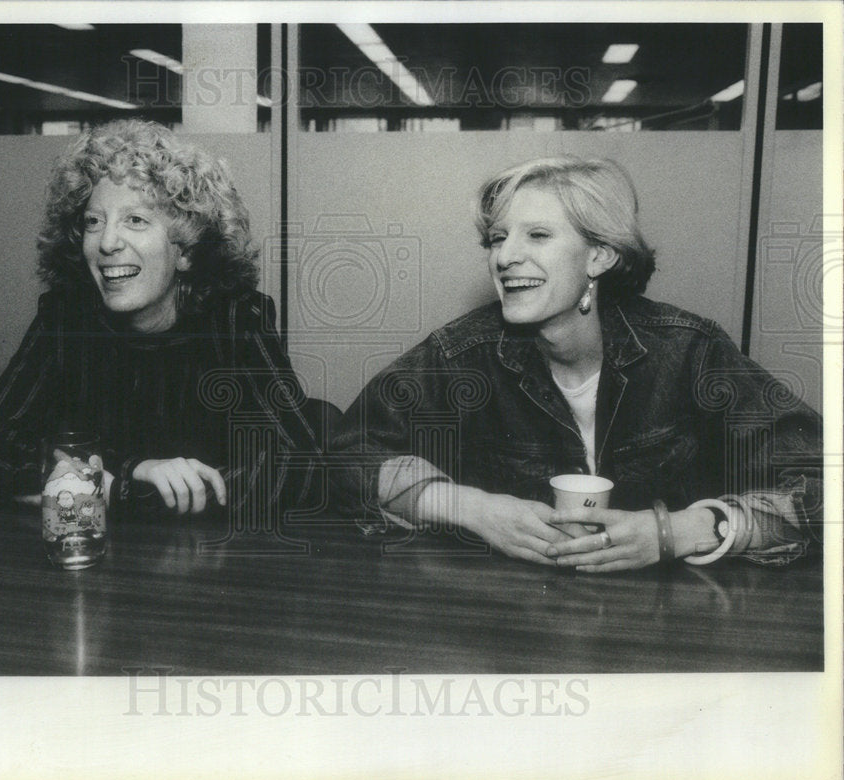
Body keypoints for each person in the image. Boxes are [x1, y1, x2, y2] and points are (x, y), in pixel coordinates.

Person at [331, 156, 822, 570]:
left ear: (600, 256)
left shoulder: (690, 351)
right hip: (511, 618)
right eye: (497, 238)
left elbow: (824, 487)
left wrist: (677, 532)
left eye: (537, 235)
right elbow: (345, 456)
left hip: (677, 615)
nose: (505, 257)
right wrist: (472, 508)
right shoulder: (460, 354)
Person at [0, 119, 322, 520]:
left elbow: (304, 466)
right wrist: (130, 473)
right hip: (92, 548)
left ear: (186, 250)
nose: (106, 243)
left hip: (208, 554)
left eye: (135, 220)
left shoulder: (235, 320)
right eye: (93, 221)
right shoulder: (66, 319)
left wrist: (122, 493)